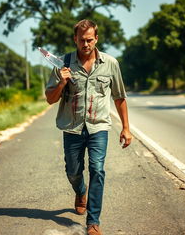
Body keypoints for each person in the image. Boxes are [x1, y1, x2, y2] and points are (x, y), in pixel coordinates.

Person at [45, 19, 132, 235]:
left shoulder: (110, 63)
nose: (86, 44)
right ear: (75, 39)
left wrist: (126, 128)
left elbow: (119, 97)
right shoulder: (62, 63)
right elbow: (49, 99)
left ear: (96, 39)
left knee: (97, 169)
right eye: (82, 40)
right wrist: (62, 82)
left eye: (90, 40)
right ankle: (80, 191)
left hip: (98, 127)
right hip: (72, 127)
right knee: (73, 171)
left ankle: (93, 222)